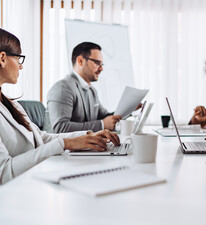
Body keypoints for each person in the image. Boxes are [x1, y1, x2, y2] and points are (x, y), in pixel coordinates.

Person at [0, 28, 120, 185]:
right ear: (2, 58)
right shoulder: (63, 87)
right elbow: (4, 172)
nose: (20, 66)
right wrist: (65, 144)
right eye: (18, 59)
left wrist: (87, 136)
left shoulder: (11, 104)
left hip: (33, 180)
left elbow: (41, 138)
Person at [47, 42, 122, 133]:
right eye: (97, 62)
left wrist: (128, 108)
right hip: (59, 147)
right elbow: (61, 128)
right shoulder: (62, 88)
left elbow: (105, 118)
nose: (101, 68)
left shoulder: (91, 90)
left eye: (102, 64)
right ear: (80, 61)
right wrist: (102, 124)